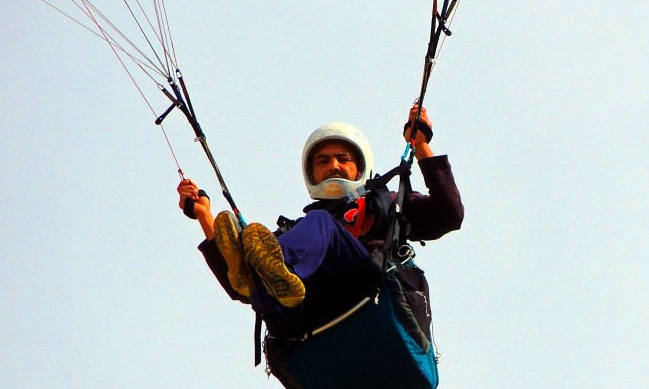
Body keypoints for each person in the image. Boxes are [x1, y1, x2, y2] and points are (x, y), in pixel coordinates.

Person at [176, 106, 464, 337]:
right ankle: (274, 277)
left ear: (360, 167)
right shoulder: (297, 233)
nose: (333, 166)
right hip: (315, 311)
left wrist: (421, 146)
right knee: (262, 275)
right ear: (311, 173)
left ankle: (279, 271)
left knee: (318, 224)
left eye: (342, 158)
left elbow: (448, 215)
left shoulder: (386, 201)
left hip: (365, 286)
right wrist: (205, 216)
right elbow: (238, 288)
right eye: (322, 161)